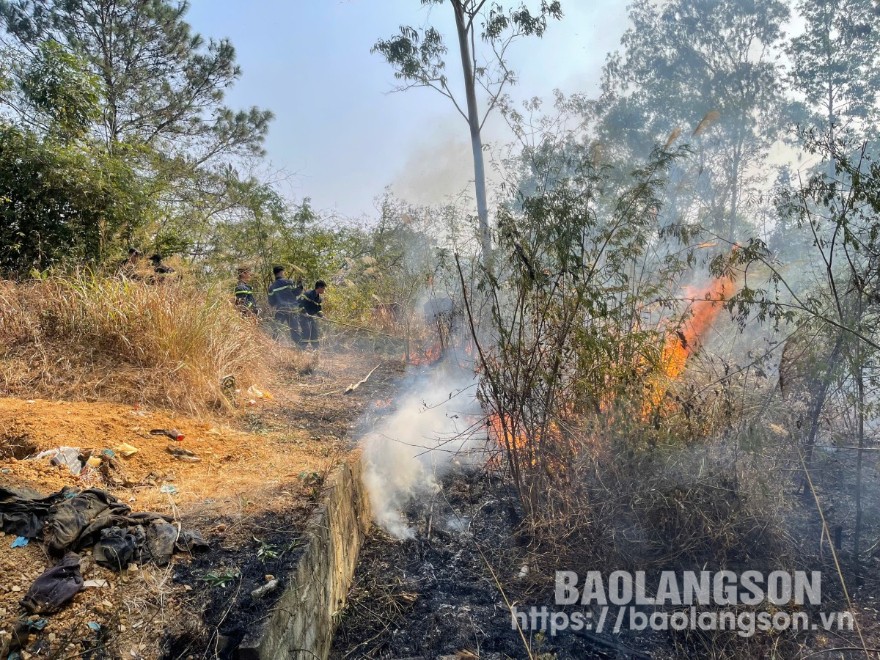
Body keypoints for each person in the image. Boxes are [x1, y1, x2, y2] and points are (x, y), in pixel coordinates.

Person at [267, 265, 304, 344]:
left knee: (277, 328)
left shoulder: (271, 287)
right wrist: (300, 284)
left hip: (280, 309)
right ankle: (300, 347)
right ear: (281, 272)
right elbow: (297, 292)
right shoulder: (288, 282)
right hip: (292, 309)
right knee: (295, 329)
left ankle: (274, 346)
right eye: (284, 272)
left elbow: (271, 302)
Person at [298, 279, 326, 348]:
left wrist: (322, 316)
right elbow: (299, 303)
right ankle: (301, 349)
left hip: (310, 317)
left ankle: (316, 350)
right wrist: (304, 312)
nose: (324, 290)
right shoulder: (308, 294)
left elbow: (318, 310)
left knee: (315, 333)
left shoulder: (319, 299)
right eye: (324, 288)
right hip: (303, 316)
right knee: (307, 331)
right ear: (319, 287)